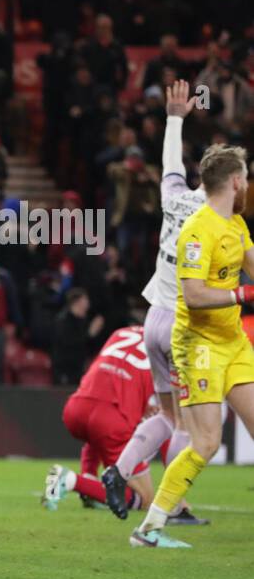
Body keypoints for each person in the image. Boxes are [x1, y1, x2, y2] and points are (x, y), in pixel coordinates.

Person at [130, 144, 254, 548]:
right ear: (235, 182)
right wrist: (242, 296)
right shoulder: (197, 231)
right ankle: (149, 526)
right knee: (205, 442)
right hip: (197, 345)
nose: (248, 185)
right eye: (247, 178)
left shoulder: (235, 223)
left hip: (233, 342)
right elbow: (196, 295)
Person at [101, 80, 207, 525]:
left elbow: (169, 162)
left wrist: (174, 119)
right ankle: (173, 505)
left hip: (152, 319)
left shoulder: (175, 197)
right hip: (182, 324)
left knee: (165, 414)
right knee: (186, 423)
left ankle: (119, 470)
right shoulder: (214, 220)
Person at [43, 326, 158, 513]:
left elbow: (117, 371)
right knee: (144, 499)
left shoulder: (122, 331)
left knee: (96, 434)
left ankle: (88, 480)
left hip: (77, 407)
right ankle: (70, 480)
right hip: (110, 419)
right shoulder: (169, 341)